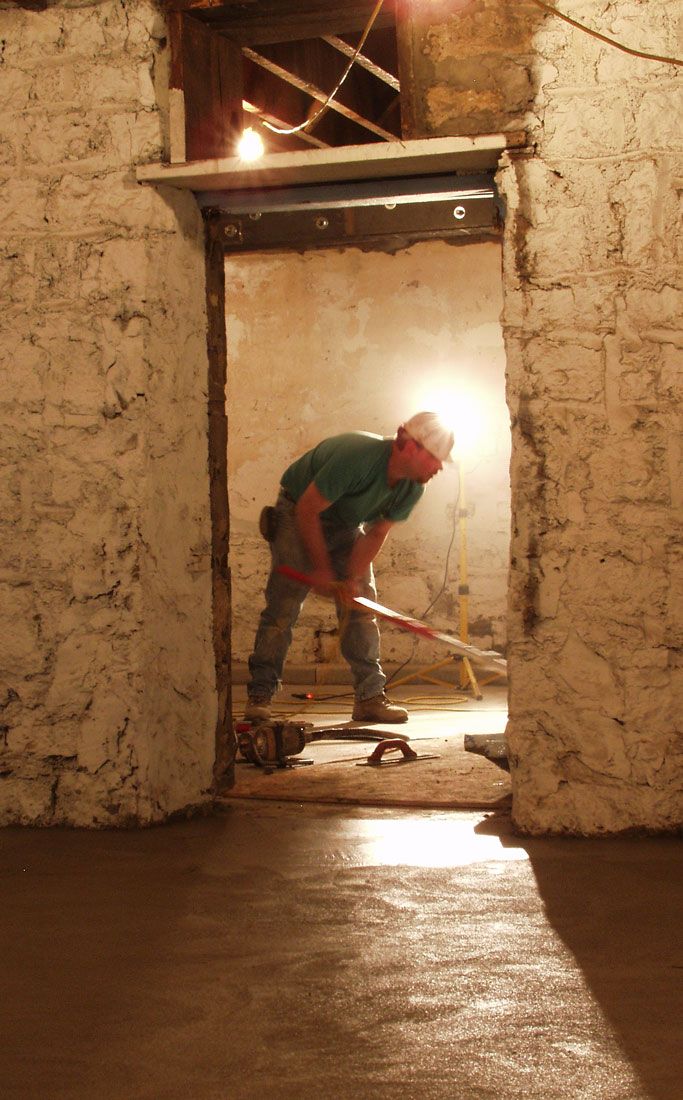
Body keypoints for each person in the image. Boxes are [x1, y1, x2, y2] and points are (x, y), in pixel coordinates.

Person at [244, 411, 454, 724]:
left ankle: (370, 698)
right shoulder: (358, 455)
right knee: (283, 607)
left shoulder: (413, 487)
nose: (439, 467)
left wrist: (353, 579)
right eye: (436, 458)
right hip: (297, 510)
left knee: (361, 605)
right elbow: (308, 510)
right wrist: (322, 569)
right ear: (410, 446)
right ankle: (260, 695)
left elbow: (377, 532)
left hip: (344, 523)